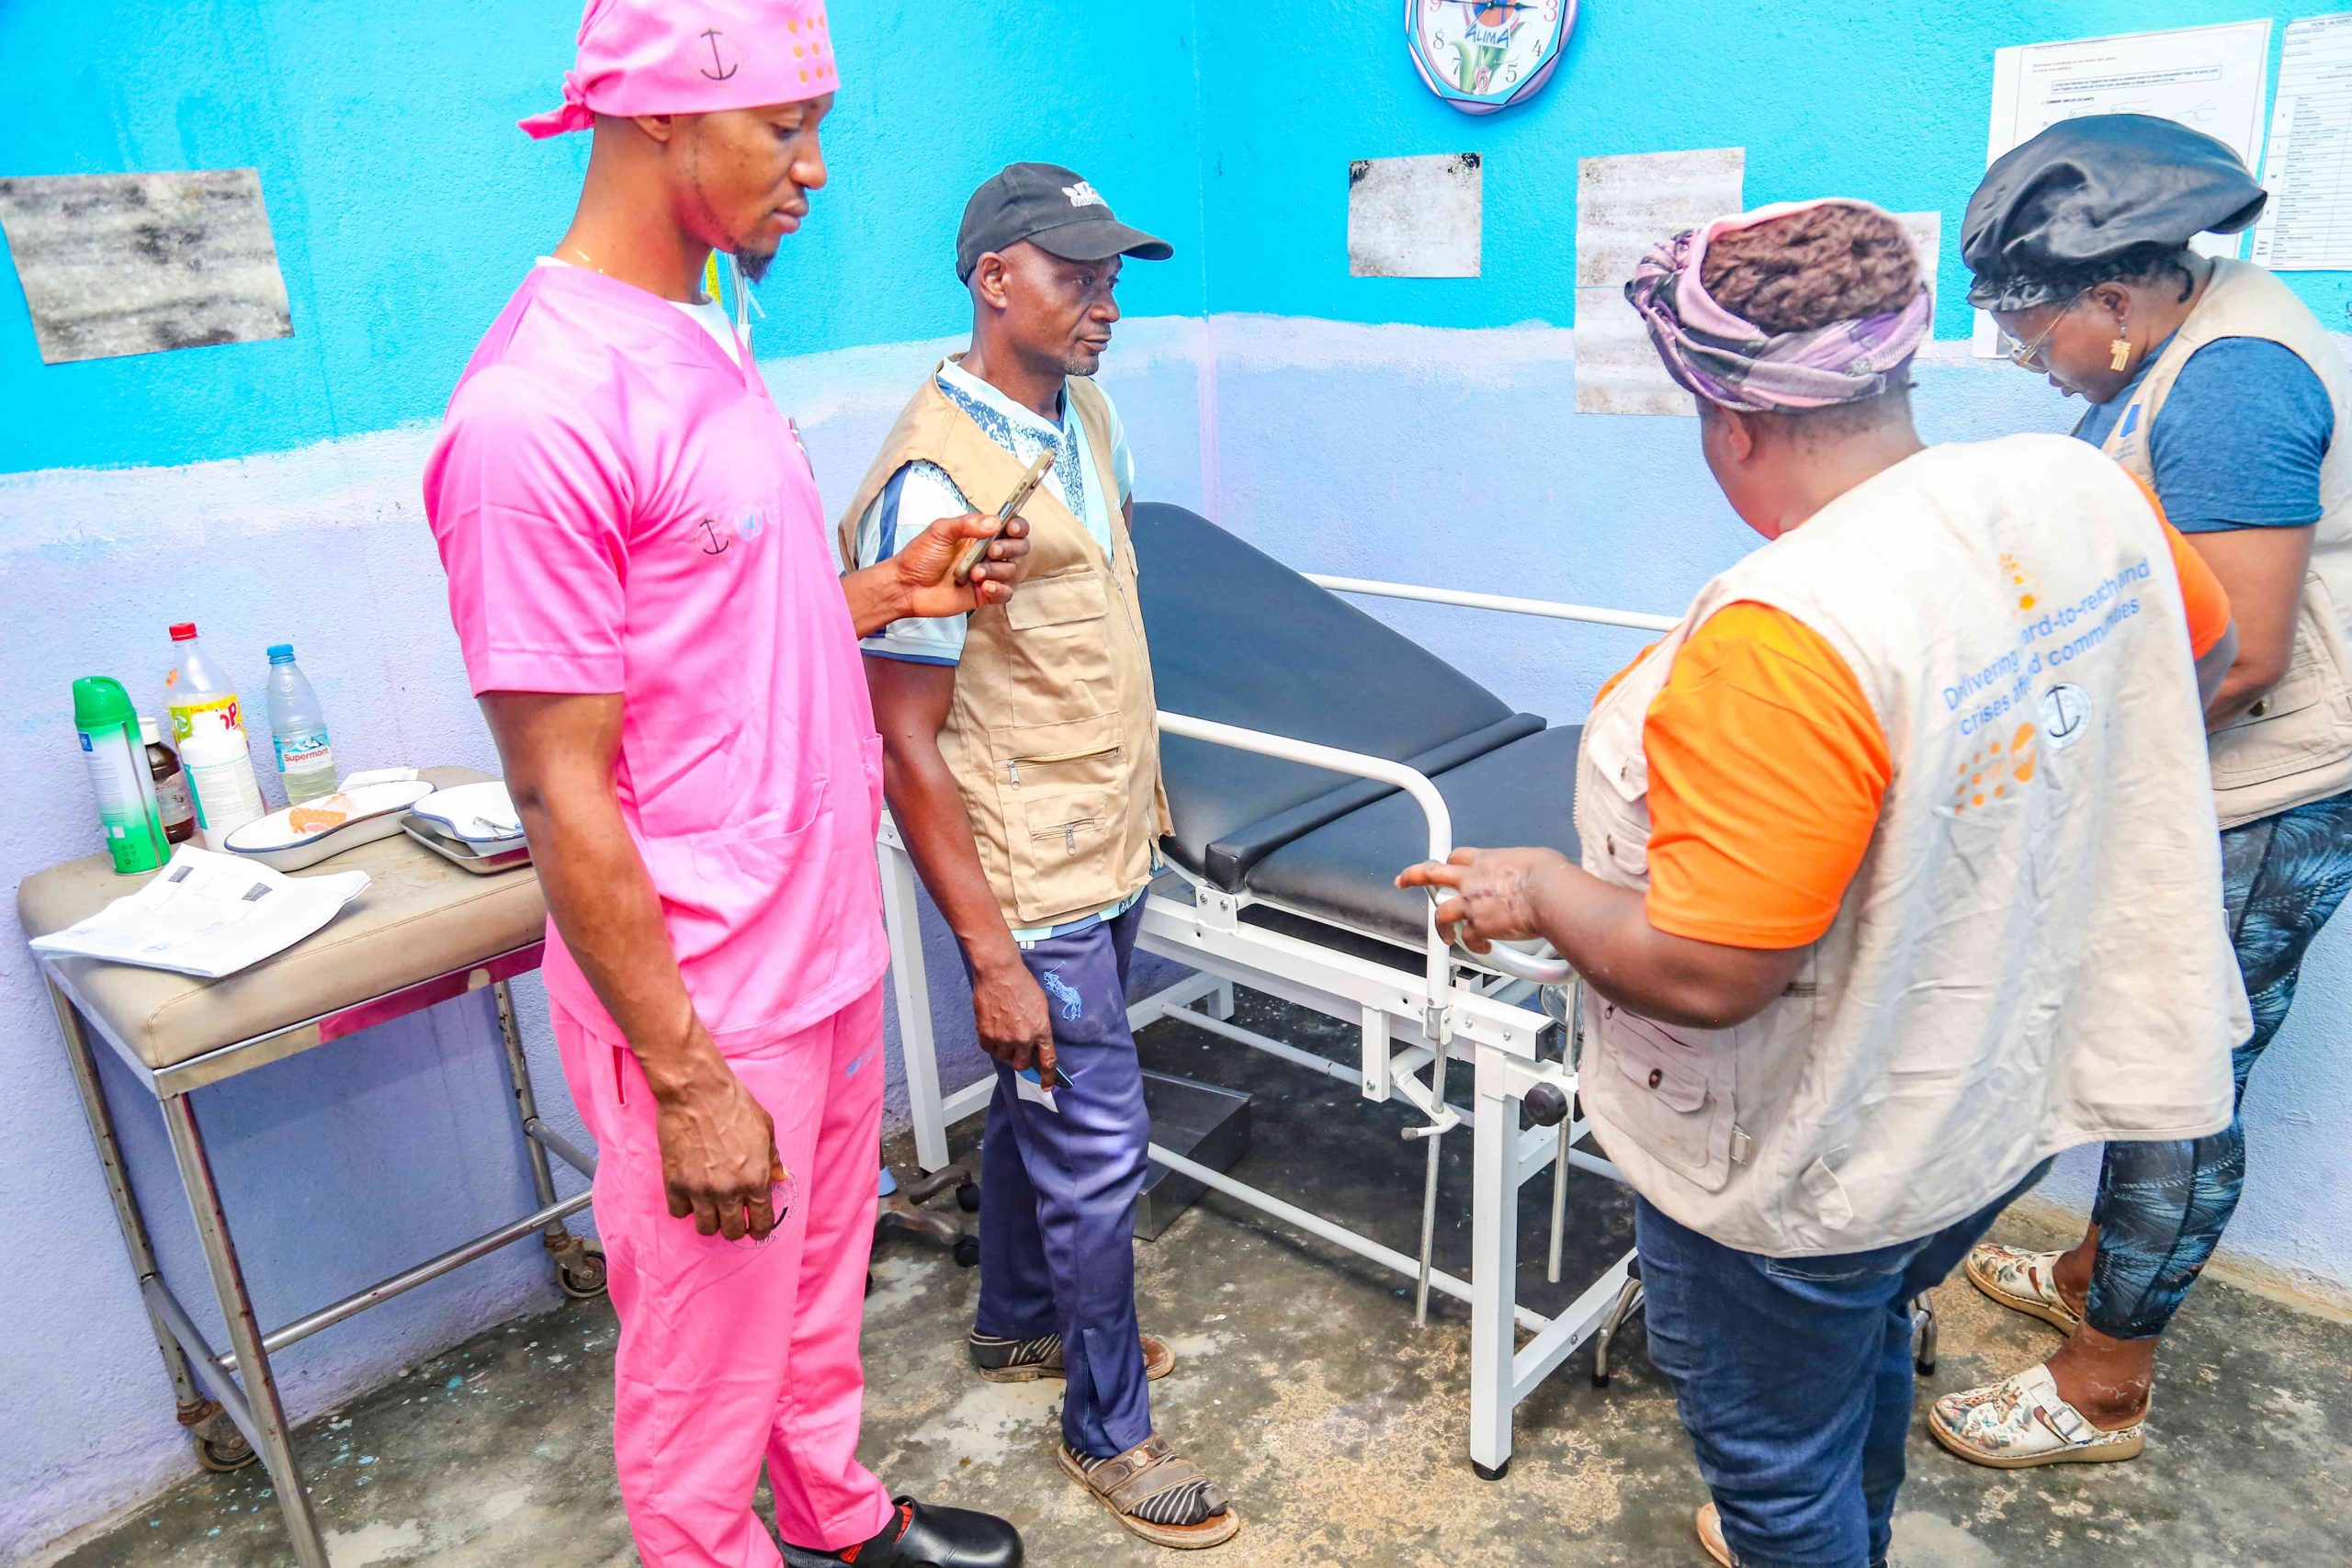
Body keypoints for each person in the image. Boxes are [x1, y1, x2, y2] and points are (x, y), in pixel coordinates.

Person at [1398, 198, 2246, 1568]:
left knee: (1775, 1457)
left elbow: (1707, 971)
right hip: (1995, 1103)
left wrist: (1549, 891)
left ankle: (1811, 1534)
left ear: (1731, 424)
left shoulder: (1785, 634)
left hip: (1816, 1164)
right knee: (1857, 1344)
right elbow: (2189, 666)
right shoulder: (2076, 488)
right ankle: (1853, 1524)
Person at [422, 6, 1031, 1564]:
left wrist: (889, 588)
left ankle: (835, 1521)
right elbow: (563, 791)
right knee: (701, 1380)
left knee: (819, 1295)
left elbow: (722, 638)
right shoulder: (533, 415)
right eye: (786, 128)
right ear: (655, 125)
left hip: (820, 951)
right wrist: (687, 1080)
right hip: (707, 1000)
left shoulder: (705, 334)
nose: (816, 172)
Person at [1936, 114, 2352, 1470]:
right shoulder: (2177, 343)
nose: (2023, 358)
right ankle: (2096, 1276)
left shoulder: (2233, 378)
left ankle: (2105, 1383)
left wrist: (2054, 760)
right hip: (2210, 771)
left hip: (2266, 787)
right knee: (2151, 1056)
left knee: (2182, 1080)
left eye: (2031, 330)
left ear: (2112, 297)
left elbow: (2243, 652)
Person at [837, 164, 1241, 1551]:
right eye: (1077, 276)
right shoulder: (930, 479)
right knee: (1099, 1153)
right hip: (1033, 878)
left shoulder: (1087, 410)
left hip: (1111, 833)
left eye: (1115, 278)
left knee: (1038, 1115)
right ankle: (1107, 1428)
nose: (1106, 304)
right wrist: (992, 956)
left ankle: (1019, 1325)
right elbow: (908, 744)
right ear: (993, 277)